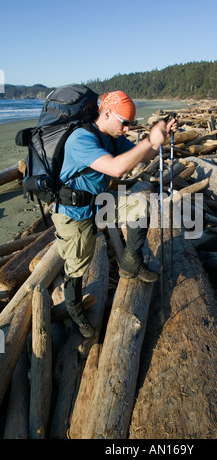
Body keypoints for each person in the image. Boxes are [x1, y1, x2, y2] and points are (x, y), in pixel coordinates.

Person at [51, 90, 177, 338]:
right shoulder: (81, 139)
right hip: (73, 212)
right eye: (125, 123)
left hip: (98, 203)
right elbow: (117, 168)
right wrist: (148, 139)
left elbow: (142, 155)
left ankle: (130, 262)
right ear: (107, 113)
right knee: (78, 263)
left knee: (141, 206)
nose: (128, 129)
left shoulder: (113, 135)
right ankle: (75, 308)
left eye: (131, 124)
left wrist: (158, 139)